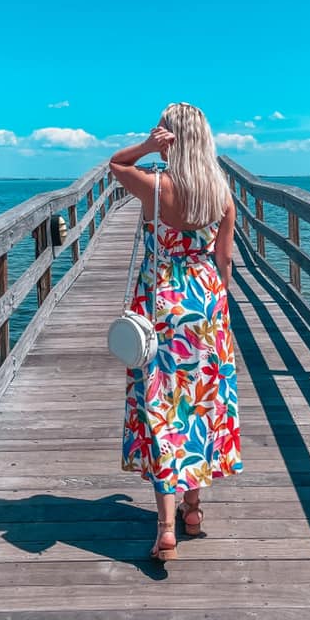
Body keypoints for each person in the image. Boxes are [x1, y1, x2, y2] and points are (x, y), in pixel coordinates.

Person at [109, 102, 242, 561]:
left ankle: (166, 529)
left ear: (171, 137)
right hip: (206, 303)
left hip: (161, 301)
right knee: (200, 403)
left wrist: (147, 146)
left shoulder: (155, 185)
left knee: (162, 405)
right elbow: (224, 260)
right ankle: (193, 510)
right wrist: (212, 304)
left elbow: (114, 165)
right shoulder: (220, 191)